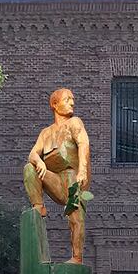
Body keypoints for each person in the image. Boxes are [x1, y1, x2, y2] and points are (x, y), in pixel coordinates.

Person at [23, 87, 92, 264]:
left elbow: (84, 143)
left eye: (72, 99)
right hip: (55, 179)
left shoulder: (74, 123)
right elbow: (32, 154)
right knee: (29, 169)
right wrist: (39, 162)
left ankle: (77, 257)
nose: (72, 102)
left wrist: (82, 170)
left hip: (72, 178)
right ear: (54, 104)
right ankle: (39, 206)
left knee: (76, 217)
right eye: (67, 99)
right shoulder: (46, 132)